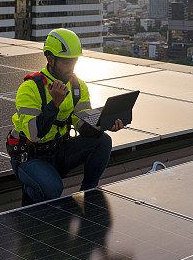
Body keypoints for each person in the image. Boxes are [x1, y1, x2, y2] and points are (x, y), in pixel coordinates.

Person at [7, 28, 123, 205]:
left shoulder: (77, 86)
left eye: (74, 62)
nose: (71, 68)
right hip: (31, 156)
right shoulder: (30, 88)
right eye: (66, 63)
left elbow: (83, 126)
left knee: (103, 141)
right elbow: (34, 134)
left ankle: (89, 192)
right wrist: (55, 104)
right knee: (53, 188)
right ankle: (32, 189)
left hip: (59, 151)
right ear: (50, 59)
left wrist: (104, 123)